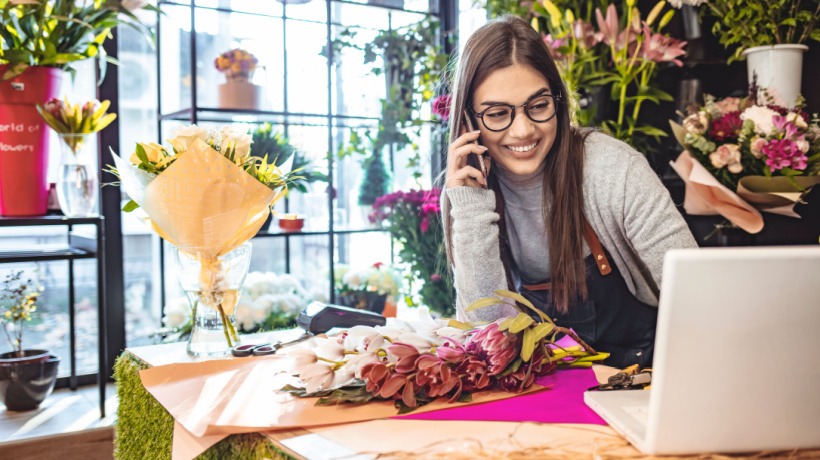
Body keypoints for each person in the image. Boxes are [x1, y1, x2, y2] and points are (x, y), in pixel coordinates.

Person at [441, 16, 697, 368]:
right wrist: (470, 209)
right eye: (498, 113)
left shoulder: (612, 169)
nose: (523, 130)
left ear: (557, 101)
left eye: (538, 106)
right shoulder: (469, 186)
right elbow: (485, 338)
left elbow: (697, 295)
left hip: (636, 375)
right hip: (536, 383)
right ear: (469, 121)